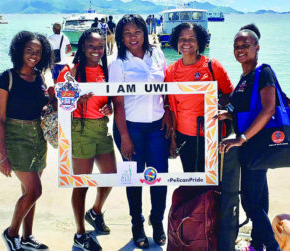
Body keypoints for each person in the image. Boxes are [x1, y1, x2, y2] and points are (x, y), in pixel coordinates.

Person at [109, 14, 172, 249]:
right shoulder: (118, 63)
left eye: (137, 32)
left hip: (157, 126)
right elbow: (118, 102)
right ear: (120, 37)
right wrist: (124, 135)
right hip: (130, 128)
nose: (132, 37)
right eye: (127, 33)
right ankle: (137, 224)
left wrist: (167, 110)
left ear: (145, 32)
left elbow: (165, 88)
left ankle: (157, 221)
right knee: (133, 179)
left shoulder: (157, 54)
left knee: (159, 177)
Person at [217, 24, 282, 251]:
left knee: (251, 202)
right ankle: (258, 244)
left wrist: (241, 138)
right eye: (236, 46)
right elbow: (243, 107)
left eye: (246, 45)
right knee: (259, 198)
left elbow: (268, 109)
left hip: (257, 144)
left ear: (257, 47)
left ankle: (273, 247)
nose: (240, 49)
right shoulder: (245, 76)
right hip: (253, 146)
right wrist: (225, 114)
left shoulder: (263, 72)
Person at [56, 28, 118, 251]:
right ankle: (80, 234)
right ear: (83, 47)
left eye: (100, 46)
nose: (96, 50)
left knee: (111, 176)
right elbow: (57, 102)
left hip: (102, 129)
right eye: (92, 46)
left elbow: (108, 99)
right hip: (80, 129)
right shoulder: (71, 71)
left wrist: (109, 107)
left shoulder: (105, 71)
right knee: (81, 183)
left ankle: (95, 212)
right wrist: (75, 101)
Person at [0, 31, 52, 251]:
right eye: (29, 51)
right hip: (16, 138)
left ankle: (27, 238)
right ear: (19, 51)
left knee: (28, 192)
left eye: (38, 52)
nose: (34, 56)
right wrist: (2, 155)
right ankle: (11, 234)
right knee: (35, 190)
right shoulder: (5, 78)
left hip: (38, 137)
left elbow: (43, 104)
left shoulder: (40, 77)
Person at [165, 22, 234, 172]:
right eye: (182, 38)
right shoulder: (170, 71)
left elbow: (231, 95)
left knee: (212, 180)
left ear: (199, 42)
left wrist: (215, 107)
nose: (186, 42)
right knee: (190, 178)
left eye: (192, 39)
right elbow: (171, 107)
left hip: (210, 132)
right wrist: (172, 139)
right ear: (176, 42)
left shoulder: (212, 66)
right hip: (183, 134)